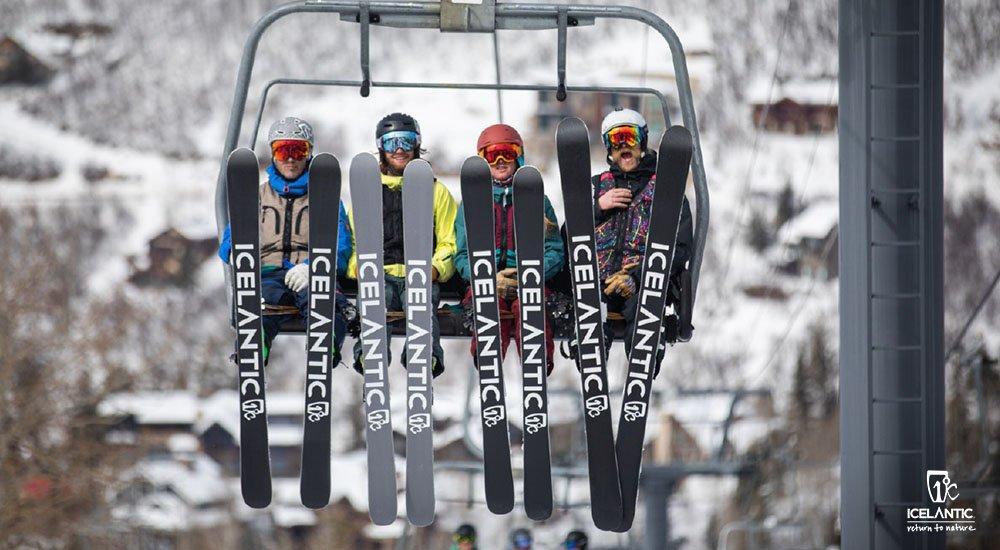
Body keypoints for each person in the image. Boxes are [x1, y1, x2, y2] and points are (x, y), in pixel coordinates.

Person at [218, 116, 353, 364]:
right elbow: (230, 238)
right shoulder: (256, 196)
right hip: (268, 272)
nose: (290, 158)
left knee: (323, 299)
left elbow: (342, 245)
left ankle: (325, 342)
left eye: (297, 150)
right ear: (273, 154)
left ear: (308, 153)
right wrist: (238, 254)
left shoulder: (326, 197)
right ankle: (255, 345)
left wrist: (315, 266)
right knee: (262, 303)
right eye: (283, 151)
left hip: (311, 272)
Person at [346, 112, 458, 377]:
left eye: (406, 142)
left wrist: (436, 268)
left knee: (422, 305)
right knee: (373, 304)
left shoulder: (436, 190)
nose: (399, 149)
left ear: (416, 145)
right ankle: (369, 354)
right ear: (381, 147)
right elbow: (352, 239)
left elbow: (449, 240)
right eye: (391, 142)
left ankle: (425, 355)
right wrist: (357, 266)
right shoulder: (368, 188)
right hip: (379, 273)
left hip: (418, 272)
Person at [591, 108, 694, 376]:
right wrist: (597, 208)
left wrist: (637, 277)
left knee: (646, 297)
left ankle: (644, 352)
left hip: (643, 282)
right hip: (595, 280)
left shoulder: (665, 191)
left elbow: (679, 247)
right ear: (608, 148)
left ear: (642, 141)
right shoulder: (595, 188)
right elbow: (569, 237)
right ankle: (588, 346)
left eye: (630, 137)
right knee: (581, 292)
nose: (624, 145)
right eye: (616, 139)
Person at [454, 124, 564, 374]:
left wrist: (529, 276)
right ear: (483, 161)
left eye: (508, 153)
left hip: (529, 280)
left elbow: (555, 251)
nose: (501, 161)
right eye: (493, 155)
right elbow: (461, 256)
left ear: (519, 156)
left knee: (530, 303)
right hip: (486, 282)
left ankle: (537, 360)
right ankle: (487, 359)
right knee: (488, 304)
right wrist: (487, 278)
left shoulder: (536, 199)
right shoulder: (471, 203)